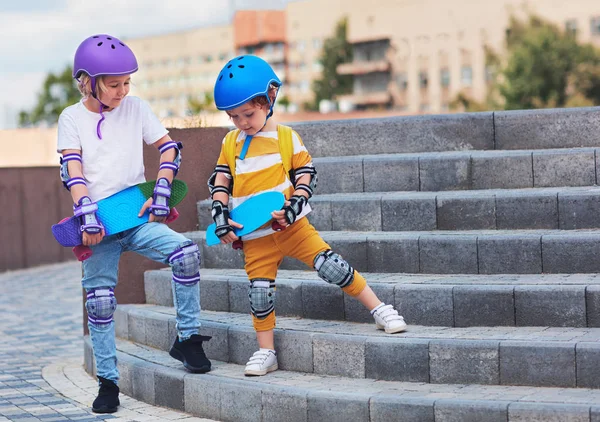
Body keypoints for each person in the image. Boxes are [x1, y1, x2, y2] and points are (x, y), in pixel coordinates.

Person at [208, 55, 407, 377]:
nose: (242, 122)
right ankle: (265, 351)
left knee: (332, 266)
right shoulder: (230, 142)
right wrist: (220, 215)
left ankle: (380, 309)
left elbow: (305, 176)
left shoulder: (286, 137)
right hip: (254, 235)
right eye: (233, 116)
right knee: (259, 292)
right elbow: (221, 180)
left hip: (292, 227)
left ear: (269, 99)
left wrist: (293, 207)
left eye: (248, 113)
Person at [57, 34, 211, 414]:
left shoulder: (137, 108)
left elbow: (169, 148)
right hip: (99, 225)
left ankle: (188, 339)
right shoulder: (71, 118)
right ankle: (108, 383)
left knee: (187, 254)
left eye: (127, 82)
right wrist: (86, 213)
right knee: (101, 301)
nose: (123, 91)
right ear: (87, 81)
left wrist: (161, 188)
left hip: (136, 216)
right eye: (114, 84)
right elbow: (72, 170)